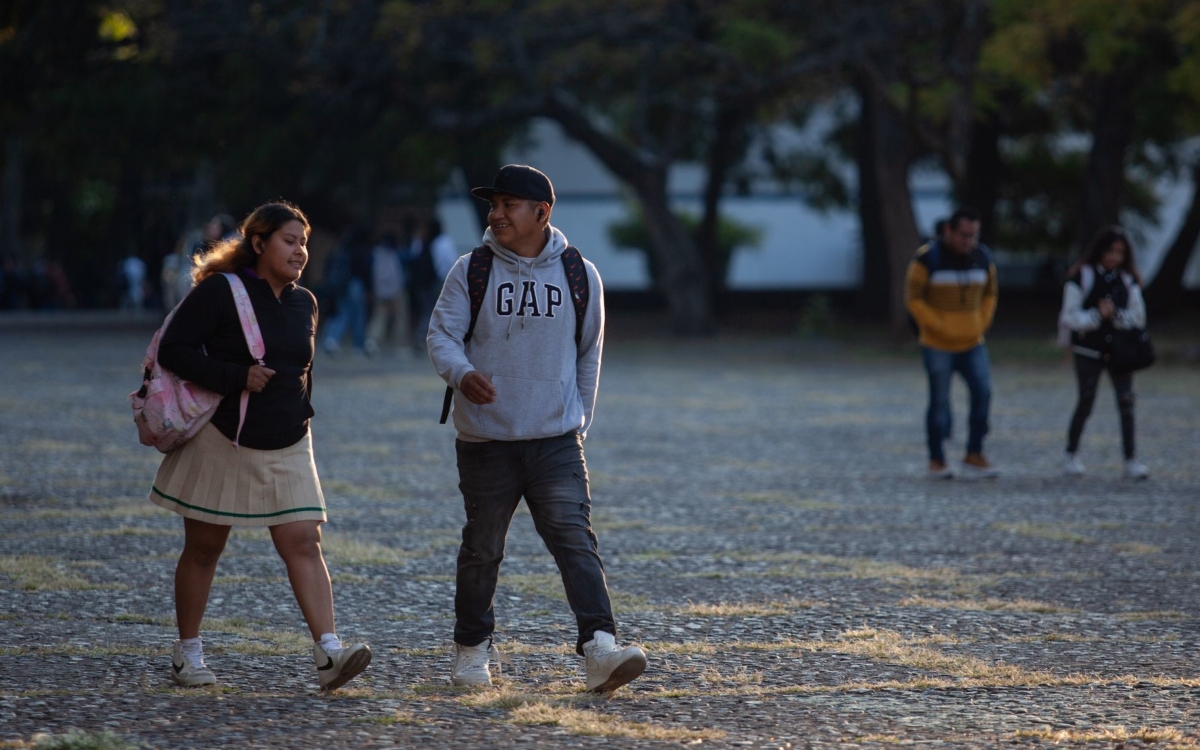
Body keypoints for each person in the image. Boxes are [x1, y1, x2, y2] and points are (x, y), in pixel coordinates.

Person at [427, 165, 647, 693]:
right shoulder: (471, 269)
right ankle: (472, 649)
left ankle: (600, 648)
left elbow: (588, 355)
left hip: (556, 440)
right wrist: (462, 373)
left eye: (507, 204)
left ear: (541, 213)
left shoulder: (579, 273)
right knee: (482, 547)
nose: (495, 214)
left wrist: (578, 424)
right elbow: (441, 336)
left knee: (575, 540)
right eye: (492, 205)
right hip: (486, 440)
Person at [149, 201, 371, 690]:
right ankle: (188, 653)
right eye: (290, 241)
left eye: (304, 243)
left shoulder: (304, 302)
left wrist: (301, 411)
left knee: (304, 542)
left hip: (290, 439)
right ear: (258, 243)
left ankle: (329, 652)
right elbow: (173, 350)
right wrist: (236, 376)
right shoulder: (220, 293)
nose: (300, 251)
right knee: (205, 547)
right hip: (222, 437)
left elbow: (302, 369)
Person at [904, 206, 1000, 479]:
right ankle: (937, 459)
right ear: (948, 231)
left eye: (973, 235)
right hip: (937, 344)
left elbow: (991, 292)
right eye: (963, 235)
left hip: (973, 341)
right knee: (939, 402)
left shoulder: (982, 257)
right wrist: (938, 325)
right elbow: (913, 298)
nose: (968, 241)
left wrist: (982, 321)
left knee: (983, 393)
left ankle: (974, 453)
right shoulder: (927, 259)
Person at [1058, 226, 1149, 479]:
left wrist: (1116, 315)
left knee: (1126, 401)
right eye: (1110, 251)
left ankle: (1131, 458)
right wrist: (1097, 316)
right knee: (1086, 400)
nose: (1114, 258)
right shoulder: (1082, 277)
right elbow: (1070, 316)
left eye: (1120, 253)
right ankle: (1071, 453)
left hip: (1120, 350)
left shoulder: (1127, 280)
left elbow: (1138, 316)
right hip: (1089, 349)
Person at [365, 231, 409, 355]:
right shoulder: (396, 254)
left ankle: (372, 341)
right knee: (400, 318)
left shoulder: (375, 254)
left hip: (380, 291)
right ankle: (400, 346)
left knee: (379, 317)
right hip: (396, 291)